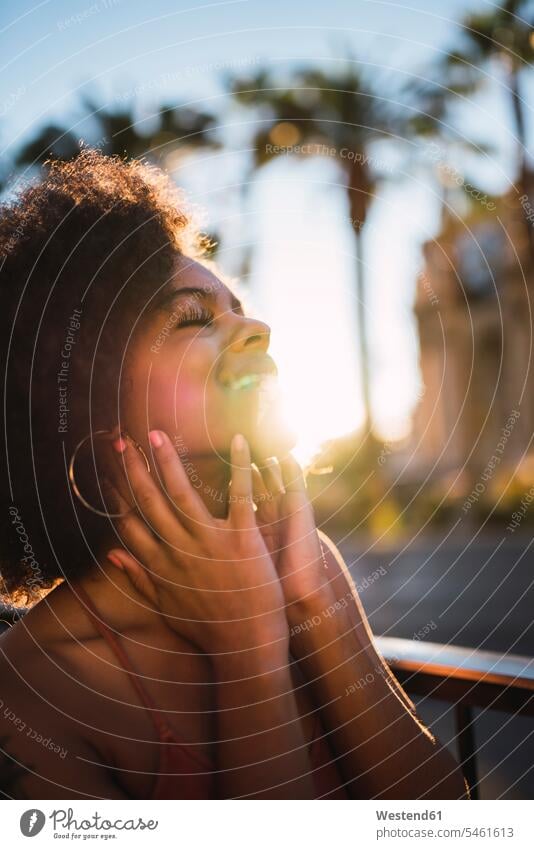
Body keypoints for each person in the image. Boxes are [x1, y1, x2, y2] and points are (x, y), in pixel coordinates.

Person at [0, 150, 468, 799]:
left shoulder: (306, 564)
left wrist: (312, 604)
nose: (257, 328)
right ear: (84, 394)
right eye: (193, 317)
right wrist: (248, 651)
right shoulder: (31, 686)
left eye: (238, 307)